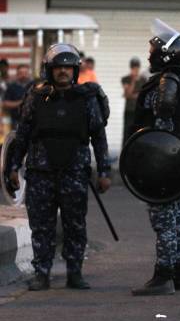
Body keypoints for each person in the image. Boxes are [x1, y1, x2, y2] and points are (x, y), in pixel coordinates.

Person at [9, 44, 111, 291]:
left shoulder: (87, 99)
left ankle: (74, 272)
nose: (63, 71)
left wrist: (105, 171)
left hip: (74, 173)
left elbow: (98, 136)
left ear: (75, 70)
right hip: (41, 174)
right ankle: (41, 273)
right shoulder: (36, 97)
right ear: (50, 70)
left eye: (68, 67)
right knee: (41, 226)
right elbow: (22, 135)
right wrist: (12, 167)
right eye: (58, 67)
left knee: (74, 223)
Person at [131, 19, 180, 296]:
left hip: (164, 163)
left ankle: (163, 277)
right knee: (179, 219)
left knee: (165, 221)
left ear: (164, 54)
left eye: (152, 50)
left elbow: (161, 128)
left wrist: (149, 164)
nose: (148, 54)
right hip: (179, 160)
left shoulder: (166, 82)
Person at [121, 57, 147, 146]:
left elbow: (143, 95)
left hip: (139, 110)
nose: (135, 70)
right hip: (129, 110)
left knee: (139, 132)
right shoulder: (126, 79)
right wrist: (133, 80)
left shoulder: (143, 79)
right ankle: (124, 152)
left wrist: (135, 95)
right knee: (126, 132)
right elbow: (127, 94)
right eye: (133, 67)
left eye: (136, 67)